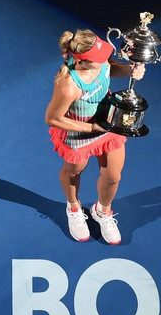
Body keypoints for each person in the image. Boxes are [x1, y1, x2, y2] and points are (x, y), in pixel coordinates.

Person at [45, 29, 145, 244]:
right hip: (79, 131)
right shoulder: (68, 85)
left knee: (113, 176)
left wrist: (131, 71)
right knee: (73, 172)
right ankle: (73, 207)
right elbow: (52, 118)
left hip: (107, 125)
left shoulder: (102, 62)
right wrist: (90, 129)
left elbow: (111, 69)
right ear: (83, 60)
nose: (104, 61)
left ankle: (102, 211)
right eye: (98, 59)